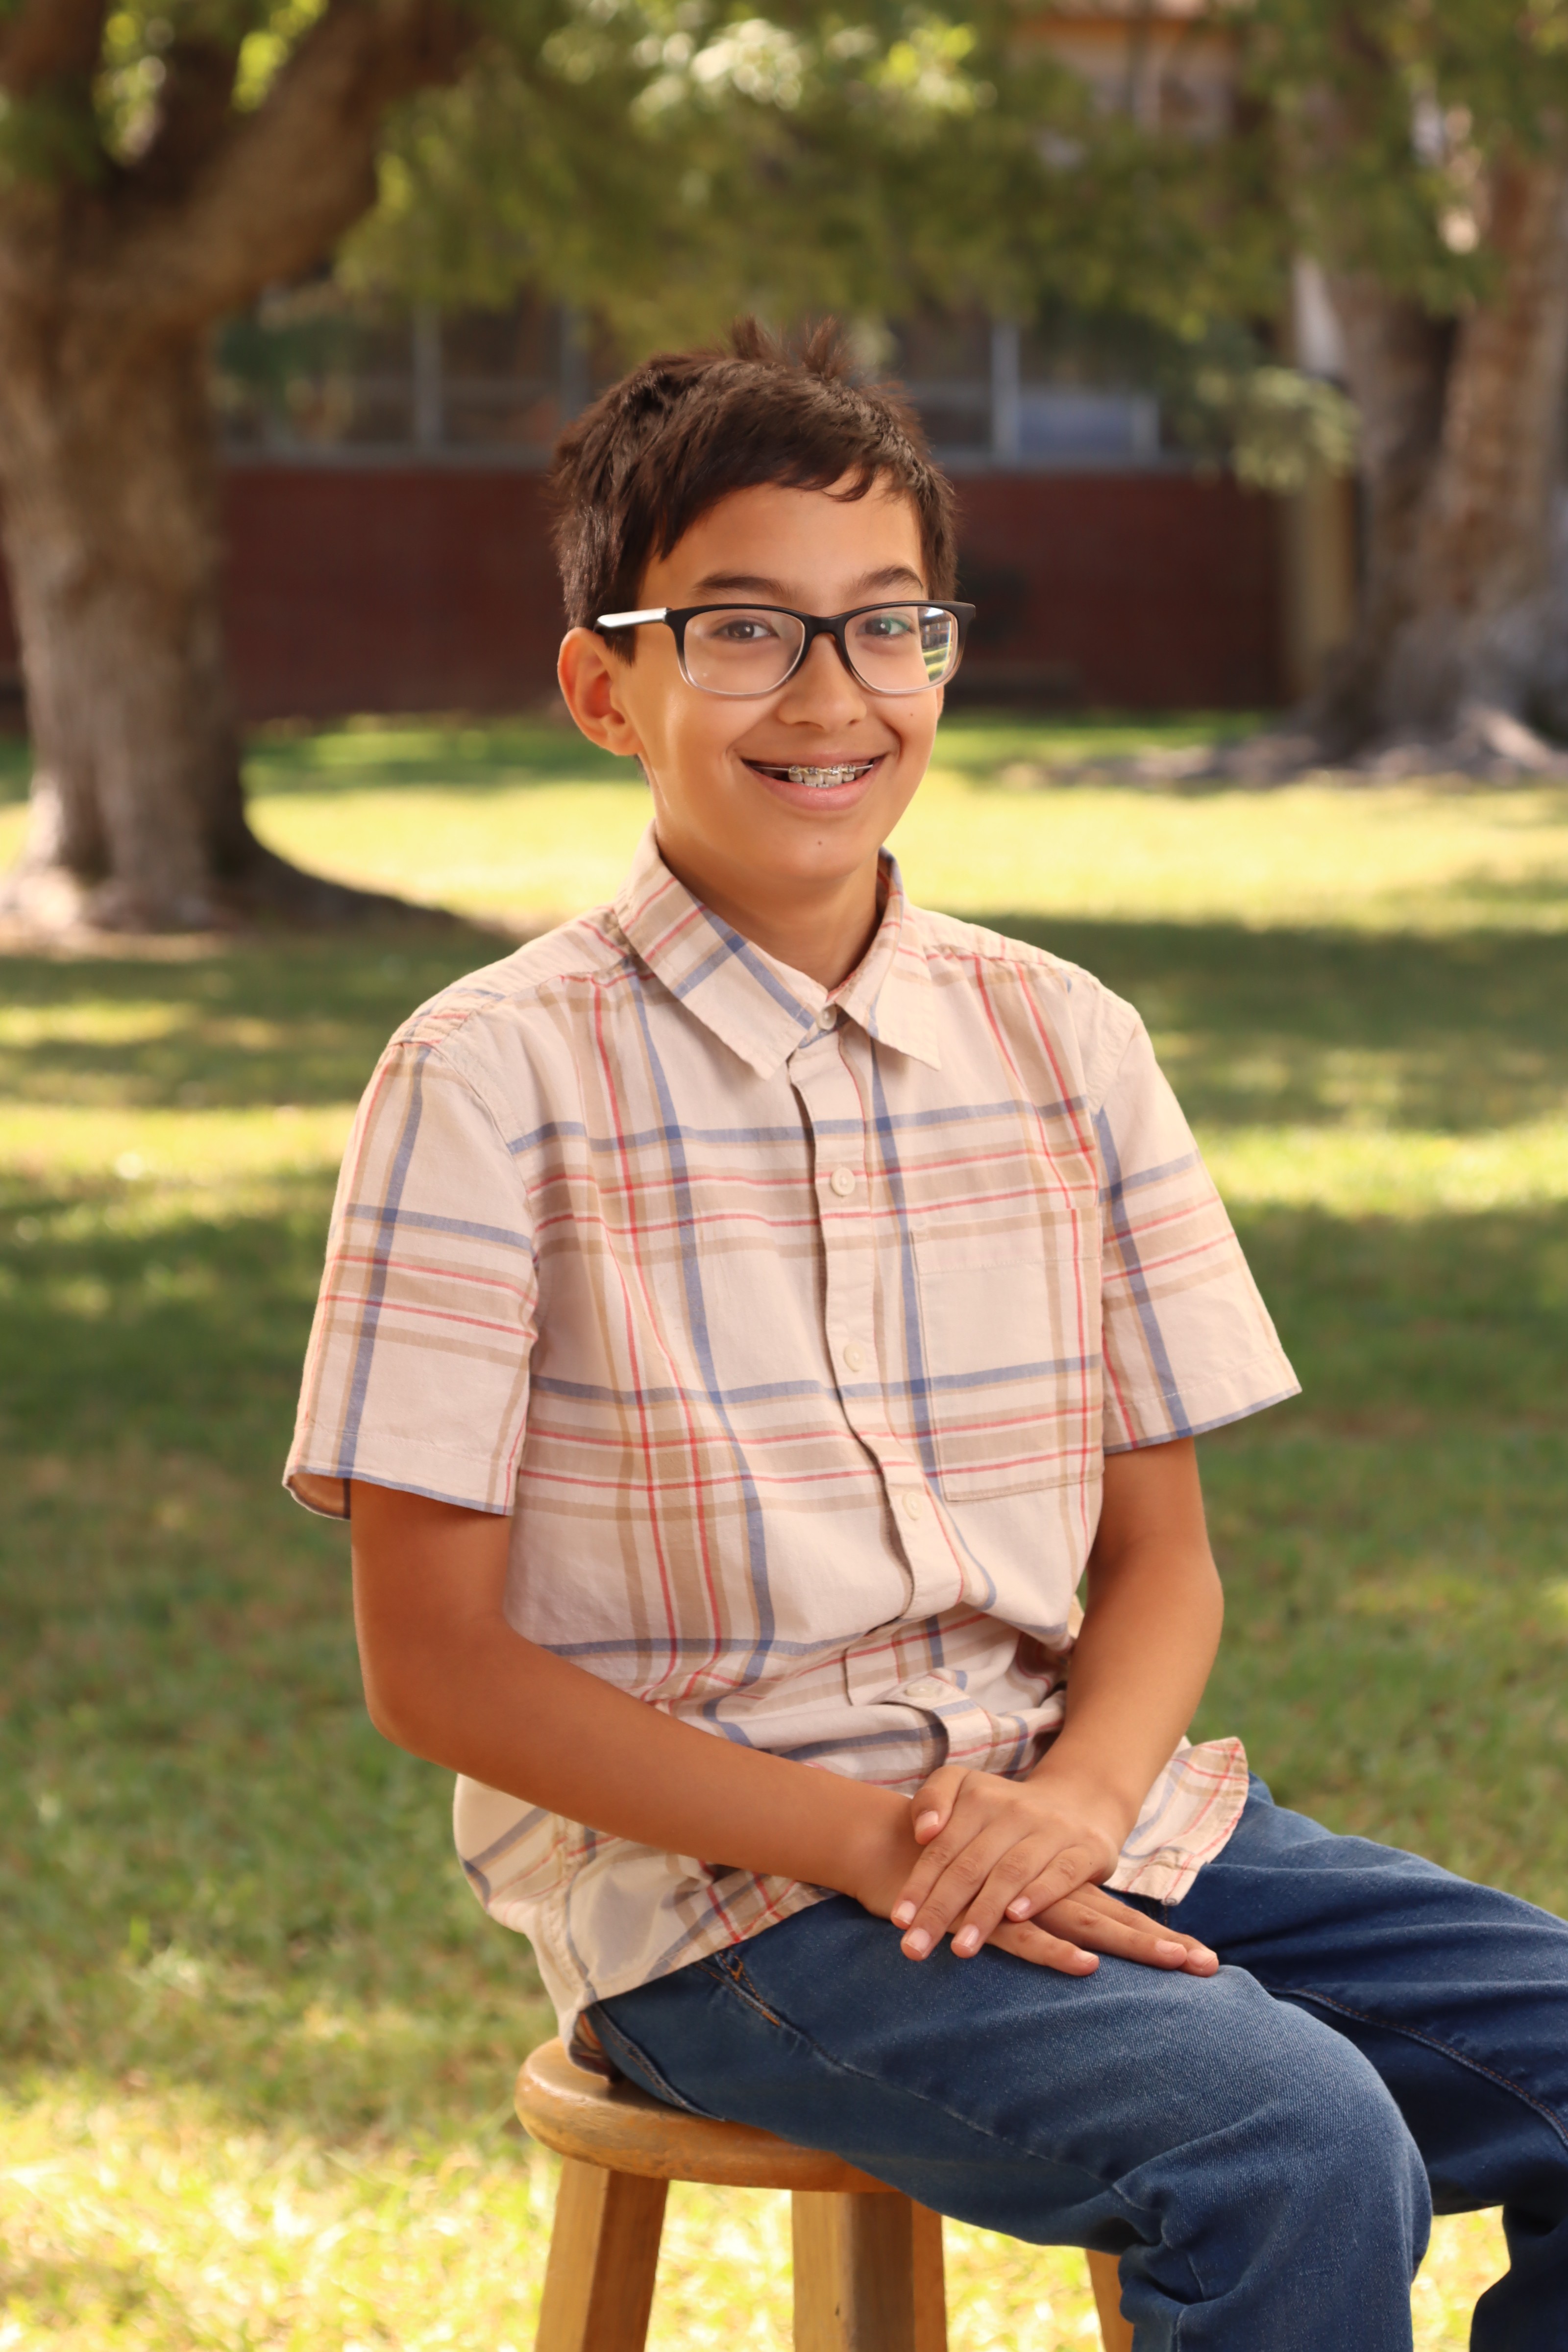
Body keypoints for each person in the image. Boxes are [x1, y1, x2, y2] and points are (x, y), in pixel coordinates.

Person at [286, 321, 1568, 2350]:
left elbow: (1161, 1559)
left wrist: (1070, 1812)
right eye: (743, 632)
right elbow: (435, 1666)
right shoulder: (486, 1080)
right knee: (1293, 2140)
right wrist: (896, 1849)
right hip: (726, 1900)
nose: (832, 695)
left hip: (1086, 1813)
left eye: (890, 626)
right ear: (605, 688)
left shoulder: (1062, 1042)